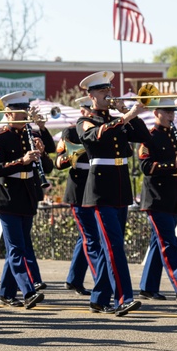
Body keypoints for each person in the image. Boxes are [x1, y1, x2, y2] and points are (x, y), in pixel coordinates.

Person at [77, 71, 150, 316]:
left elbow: (143, 137)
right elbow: (98, 136)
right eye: (101, 91)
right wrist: (126, 116)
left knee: (113, 245)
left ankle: (99, 298)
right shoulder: (86, 121)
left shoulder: (117, 118)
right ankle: (123, 298)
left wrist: (127, 114)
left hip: (120, 187)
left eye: (109, 90)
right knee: (114, 246)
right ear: (91, 96)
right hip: (100, 189)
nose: (108, 94)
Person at [0, 90, 53, 310]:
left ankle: (6, 293)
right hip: (8, 196)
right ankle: (28, 291)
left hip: (28, 194)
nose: (23, 114)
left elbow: (49, 163)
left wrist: (42, 152)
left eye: (25, 110)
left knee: (19, 246)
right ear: (8, 113)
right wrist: (21, 160)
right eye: (18, 111)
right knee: (16, 247)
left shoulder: (30, 133)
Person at [137, 97, 177, 302]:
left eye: (173, 112)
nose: (171, 115)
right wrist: (173, 162)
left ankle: (148, 287)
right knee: (169, 243)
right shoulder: (148, 136)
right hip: (155, 198)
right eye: (167, 111)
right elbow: (146, 167)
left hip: (173, 197)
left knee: (159, 243)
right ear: (156, 113)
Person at [55, 95, 106, 300]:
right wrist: (74, 154)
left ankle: (74, 279)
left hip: (97, 185)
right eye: (86, 111)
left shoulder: (100, 130)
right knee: (90, 237)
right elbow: (58, 162)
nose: (88, 114)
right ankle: (101, 280)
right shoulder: (70, 132)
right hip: (78, 187)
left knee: (85, 237)